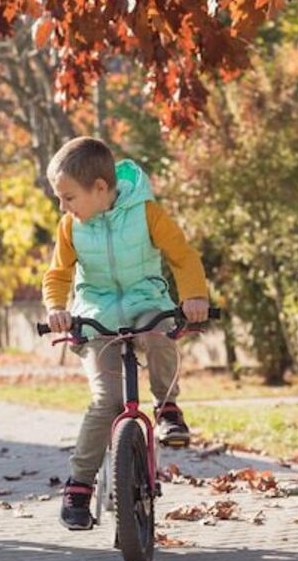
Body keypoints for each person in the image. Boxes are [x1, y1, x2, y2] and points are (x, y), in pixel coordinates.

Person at [41, 136, 210, 531]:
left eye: (68, 198)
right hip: (96, 313)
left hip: (144, 299)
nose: (63, 208)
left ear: (100, 189)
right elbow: (58, 273)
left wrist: (194, 297)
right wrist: (57, 309)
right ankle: (79, 485)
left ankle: (167, 408)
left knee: (160, 332)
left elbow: (182, 257)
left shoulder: (147, 214)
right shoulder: (71, 228)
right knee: (107, 400)